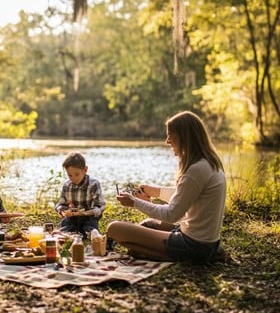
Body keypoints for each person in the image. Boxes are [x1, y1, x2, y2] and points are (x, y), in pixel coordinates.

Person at [107, 111, 227, 263]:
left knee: (114, 229)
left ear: (185, 137)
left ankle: (173, 256)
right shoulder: (208, 163)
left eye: (171, 136)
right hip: (206, 242)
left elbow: (172, 214)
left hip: (193, 245)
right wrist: (155, 192)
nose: (167, 141)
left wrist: (134, 202)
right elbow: (187, 197)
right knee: (148, 224)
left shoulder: (196, 170)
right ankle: (145, 250)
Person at [55, 151, 106, 234]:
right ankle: (68, 232)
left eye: (77, 174)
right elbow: (61, 204)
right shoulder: (67, 185)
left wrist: (86, 213)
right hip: (72, 218)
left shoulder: (93, 184)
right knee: (65, 227)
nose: (73, 178)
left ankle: (91, 233)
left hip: (89, 217)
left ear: (85, 170)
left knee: (90, 227)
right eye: (70, 175)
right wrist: (62, 211)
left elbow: (100, 206)